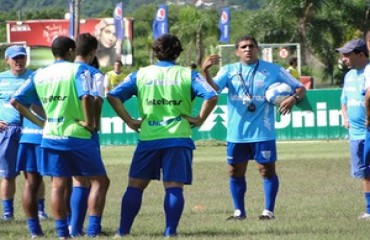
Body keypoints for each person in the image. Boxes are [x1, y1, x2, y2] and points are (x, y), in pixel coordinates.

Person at [107, 34, 218, 237]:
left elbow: (113, 95)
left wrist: (129, 120)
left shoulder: (140, 74)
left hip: (149, 138)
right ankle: (170, 233)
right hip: (178, 137)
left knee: (135, 186)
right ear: (178, 52)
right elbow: (212, 95)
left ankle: (122, 232)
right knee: (174, 186)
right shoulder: (188, 74)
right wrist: (200, 118)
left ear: (155, 52)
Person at [10, 36, 108, 239]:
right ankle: (91, 231)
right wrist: (90, 123)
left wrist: (41, 123)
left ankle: (63, 234)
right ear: (71, 51)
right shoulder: (78, 70)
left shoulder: (40, 74)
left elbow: (16, 101)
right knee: (99, 181)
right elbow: (87, 97)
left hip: (51, 135)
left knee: (58, 184)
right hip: (77, 136)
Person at [201, 35, 306, 220]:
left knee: (266, 170)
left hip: (263, 132)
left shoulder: (273, 70)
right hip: (236, 133)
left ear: (257, 49)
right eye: (243, 47)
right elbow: (214, 89)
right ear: (237, 51)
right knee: (235, 171)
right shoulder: (229, 70)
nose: (247, 49)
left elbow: (300, 88)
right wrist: (206, 72)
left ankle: (268, 211)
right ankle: (239, 212)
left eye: (251, 46)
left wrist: (293, 98)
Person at [69, 33, 110, 237]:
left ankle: (74, 229)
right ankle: (93, 229)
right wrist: (95, 124)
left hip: (60, 131)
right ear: (93, 51)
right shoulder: (94, 73)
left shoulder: (61, 71)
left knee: (77, 181)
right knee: (100, 182)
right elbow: (96, 100)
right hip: (85, 133)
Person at [0, 45, 47, 223]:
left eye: (22, 57)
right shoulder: (1, 78)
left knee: (34, 173)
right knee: (7, 174)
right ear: (7, 60)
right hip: (7, 131)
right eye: (15, 58)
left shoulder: (36, 76)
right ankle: (8, 213)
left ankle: (41, 210)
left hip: (31, 130)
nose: (19, 61)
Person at [339, 38, 370, 220]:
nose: (344, 58)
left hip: (368, 131)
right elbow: (343, 100)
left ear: (360, 54)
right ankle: (369, 210)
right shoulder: (349, 76)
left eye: (347, 54)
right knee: (365, 173)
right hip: (355, 134)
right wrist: (345, 117)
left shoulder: (368, 71)